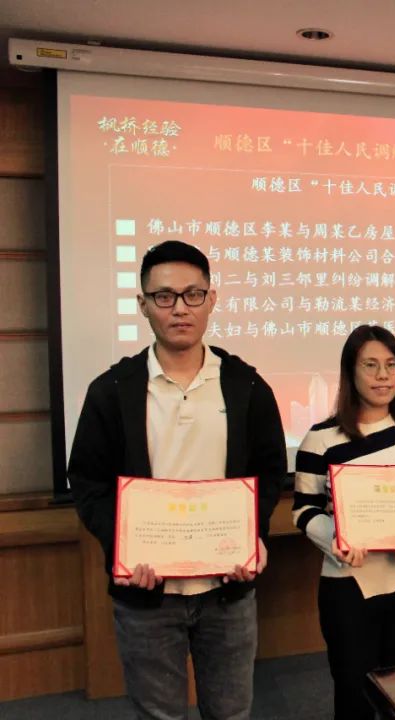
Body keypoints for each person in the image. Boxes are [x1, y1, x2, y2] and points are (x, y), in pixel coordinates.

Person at [67, 240, 286, 720]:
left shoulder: (247, 386)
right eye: (164, 296)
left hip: (227, 589)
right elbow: (87, 481)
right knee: (158, 715)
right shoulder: (112, 391)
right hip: (148, 594)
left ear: (212, 299)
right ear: (142, 304)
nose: (180, 308)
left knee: (230, 713)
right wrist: (121, 546)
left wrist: (253, 534)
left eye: (193, 294)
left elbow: (270, 471)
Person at [293, 325, 395, 719]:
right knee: (354, 695)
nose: (383, 376)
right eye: (371, 365)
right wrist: (336, 539)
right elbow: (304, 509)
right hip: (350, 586)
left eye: (392, 365)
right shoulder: (321, 439)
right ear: (350, 372)